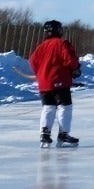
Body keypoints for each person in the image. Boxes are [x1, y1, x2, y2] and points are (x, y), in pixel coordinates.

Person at [28, 20, 80, 148]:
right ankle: (63, 133)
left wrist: (40, 73)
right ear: (57, 30)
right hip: (59, 81)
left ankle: (44, 134)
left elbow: (32, 60)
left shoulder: (42, 46)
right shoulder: (62, 43)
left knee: (48, 107)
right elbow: (70, 59)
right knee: (65, 106)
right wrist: (75, 68)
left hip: (44, 82)